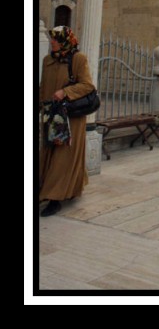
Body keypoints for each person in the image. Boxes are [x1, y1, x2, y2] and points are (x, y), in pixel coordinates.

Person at [39, 26, 96, 217]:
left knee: (63, 156)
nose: (52, 42)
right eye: (51, 38)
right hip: (50, 115)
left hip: (70, 117)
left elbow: (87, 85)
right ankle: (63, 187)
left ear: (65, 40)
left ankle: (54, 198)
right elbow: (43, 86)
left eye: (55, 39)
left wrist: (66, 92)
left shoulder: (78, 59)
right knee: (48, 151)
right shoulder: (48, 60)